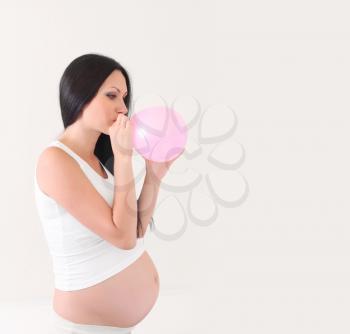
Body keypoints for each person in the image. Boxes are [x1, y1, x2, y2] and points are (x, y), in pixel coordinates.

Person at [34, 53, 175, 333]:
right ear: (80, 95)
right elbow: (122, 239)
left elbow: (134, 230)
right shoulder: (55, 161)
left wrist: (154, 176)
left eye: (124, 98)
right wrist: (124, 157)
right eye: (111, 95)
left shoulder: (100, 163)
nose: (123, 108)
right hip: (83, 327)